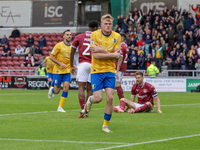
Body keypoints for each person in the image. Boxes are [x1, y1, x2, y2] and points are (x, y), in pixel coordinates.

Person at [80, 14, 121, 133]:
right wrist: (111, 54)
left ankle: (105, 126)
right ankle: (90, 100)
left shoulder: (117, 36)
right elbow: (96, 56)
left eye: (110, 24)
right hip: (96, 70)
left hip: (110, 71)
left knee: (110, 97)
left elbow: (116, 58)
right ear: (101, 25)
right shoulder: (95, 34)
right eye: (106, 24)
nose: (108, 26)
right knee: (98, 98)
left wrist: (102, 50)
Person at [70, 20, 99, 117]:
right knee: (90, 89)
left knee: (81, 88)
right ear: (95, 28)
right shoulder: (97, 37)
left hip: (83, 64)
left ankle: (83, 109)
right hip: (94, 64)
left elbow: (72, 52)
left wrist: (71, 65)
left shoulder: (79, 36)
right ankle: (87, 110)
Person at [48, 30, 74, 113]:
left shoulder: (72, 47)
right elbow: (51, 56)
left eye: (70, 35)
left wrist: (73, 66)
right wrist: (60, 63)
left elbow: (70, 59)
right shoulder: (58, 45)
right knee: (57, 91)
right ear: (63, 36)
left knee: (66, 88)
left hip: (67, 71)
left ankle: (60, 107)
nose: (69, 36)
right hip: (58, 71)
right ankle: (51, 90)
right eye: (67, 35)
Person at [115, 33, 129, 102]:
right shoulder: (125, 46)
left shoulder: (121, 46)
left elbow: (120, 59)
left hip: (119, 68)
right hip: (122, 67)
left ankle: (122, 102)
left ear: (122, 39)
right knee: (118, 84)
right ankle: (122, 102)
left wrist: (117, 71)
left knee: (117, 84)